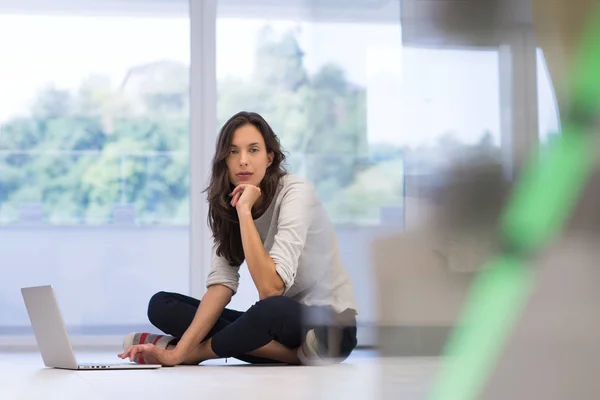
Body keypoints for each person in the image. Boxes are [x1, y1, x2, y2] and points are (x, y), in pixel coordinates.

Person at [118, 111, 358, 366]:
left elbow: (271, 289)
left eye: (253, 150)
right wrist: (239, 209)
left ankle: (190, 350)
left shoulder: (297, 193)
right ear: (224, 160)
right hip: (279, 330)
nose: (243, 161)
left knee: (271, 309)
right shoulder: (227, 202)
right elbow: (222, 284)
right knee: (162, 305)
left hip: (328, 329)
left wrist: (182, 353)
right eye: (233, 152)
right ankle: (290, 355)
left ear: (269, 158)